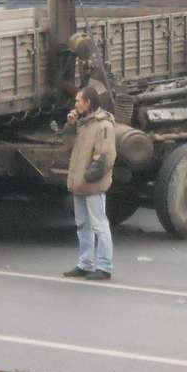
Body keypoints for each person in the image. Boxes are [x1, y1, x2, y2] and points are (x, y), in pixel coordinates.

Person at [61, 85, 117, 280]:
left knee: (99, 225)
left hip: (92, 185)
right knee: (82, 224)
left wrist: (88, 177)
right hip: (79, 185)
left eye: (78, 100)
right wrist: (69, 125)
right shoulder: (82, 123)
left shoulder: (103, 126)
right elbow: (67, 146)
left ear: (88, 103)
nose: (75, 103)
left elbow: (105, 157)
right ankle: (85, 263)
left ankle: (104, 266)